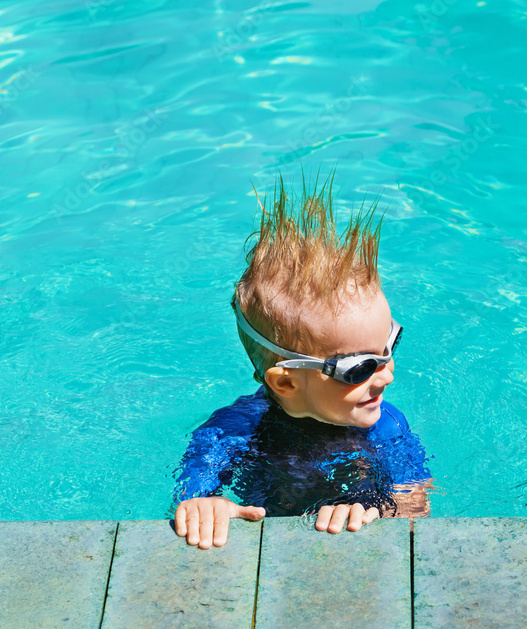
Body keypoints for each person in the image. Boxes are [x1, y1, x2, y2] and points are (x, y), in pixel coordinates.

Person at [173, 177, 431, 548]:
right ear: (287, 383)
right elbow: (193, 497)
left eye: (390, 345)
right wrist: (210, 506)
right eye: (359, 367)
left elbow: (416, 503)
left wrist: (373, 510)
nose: (388, 374)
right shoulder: (230, 433)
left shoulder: (387, 427)